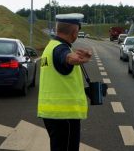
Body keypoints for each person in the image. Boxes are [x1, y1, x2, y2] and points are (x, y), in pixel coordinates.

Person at [37, 13, 92, 151]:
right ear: (74, 32)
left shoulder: (50, 47)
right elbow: (64, 57)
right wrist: (71, 58)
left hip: (53, 114)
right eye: (78, 31)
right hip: (64, 116)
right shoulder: (60, 49)